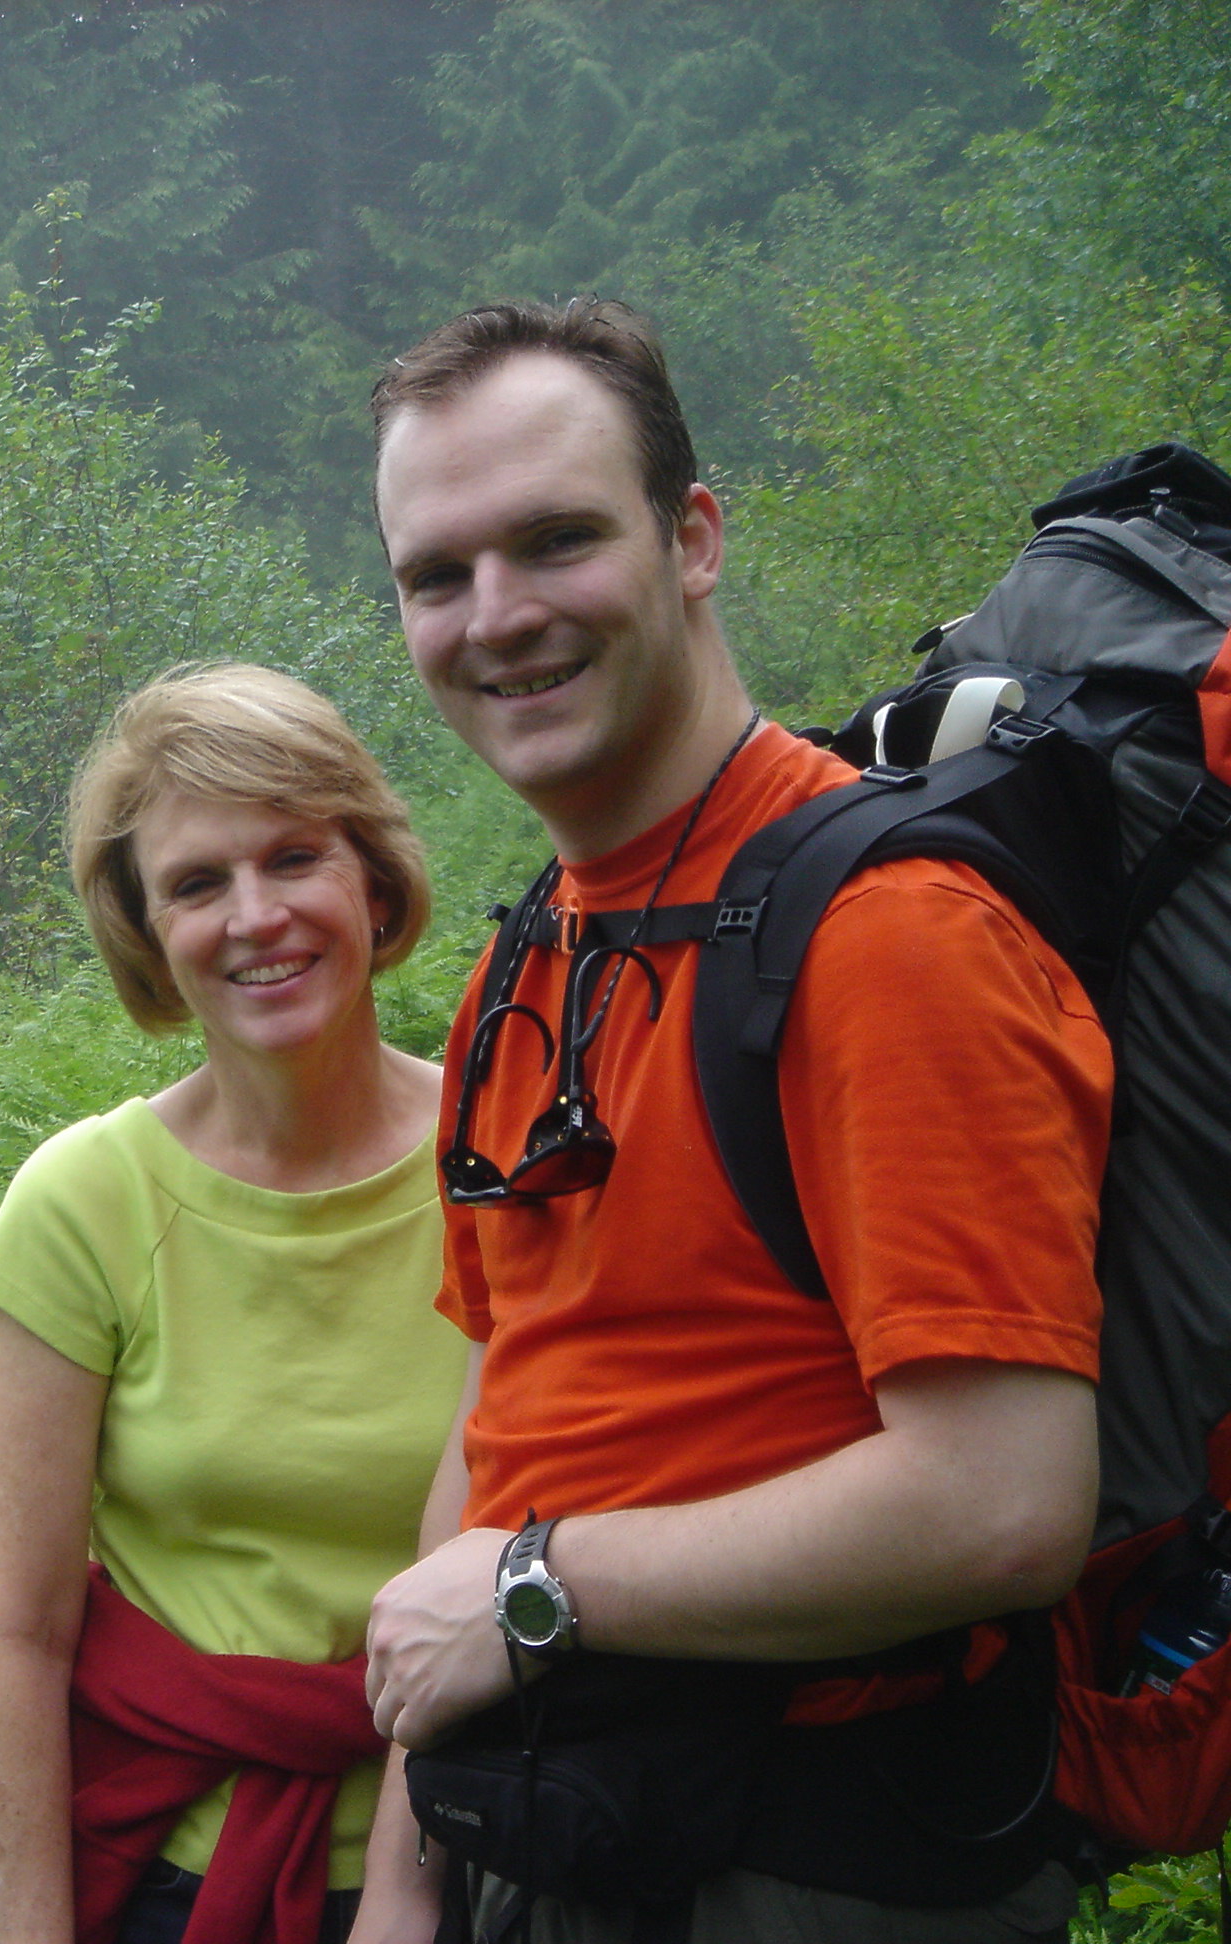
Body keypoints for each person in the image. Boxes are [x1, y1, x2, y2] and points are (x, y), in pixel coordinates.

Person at [359, 298, 1110, 1942]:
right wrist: (405, 1883)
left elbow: (1000, 1503)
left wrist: (533, 1586)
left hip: (812, 1861)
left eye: (557, 539)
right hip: (546, 1833)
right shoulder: (524, 960)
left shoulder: (889, 936)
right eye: (437, 573)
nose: (497, 615)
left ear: (691, 538)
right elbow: (505, 1409)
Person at [0, 663, 467, 1944]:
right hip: (173, 1878)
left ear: (374, 881)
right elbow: (19, 1633)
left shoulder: (501, 1155)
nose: (255, 917)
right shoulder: (85, 1203)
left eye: (294, 857)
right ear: (146, 931)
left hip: (487, 1850)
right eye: (196, 884)